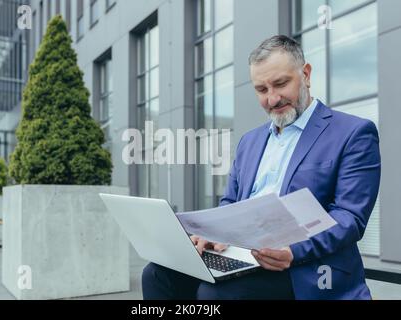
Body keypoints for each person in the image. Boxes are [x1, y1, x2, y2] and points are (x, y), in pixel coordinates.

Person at [141, 35, 381, 300]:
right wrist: (210, 235)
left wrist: (294, 250)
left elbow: (349, 217)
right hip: (242, 256)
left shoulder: (353, 133)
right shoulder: (249, 141)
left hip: (306, 266)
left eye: (280, 84)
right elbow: (230, 202)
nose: (272, 98)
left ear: (306, 74)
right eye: (261, 89)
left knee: (215, 295)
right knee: (156, 274)